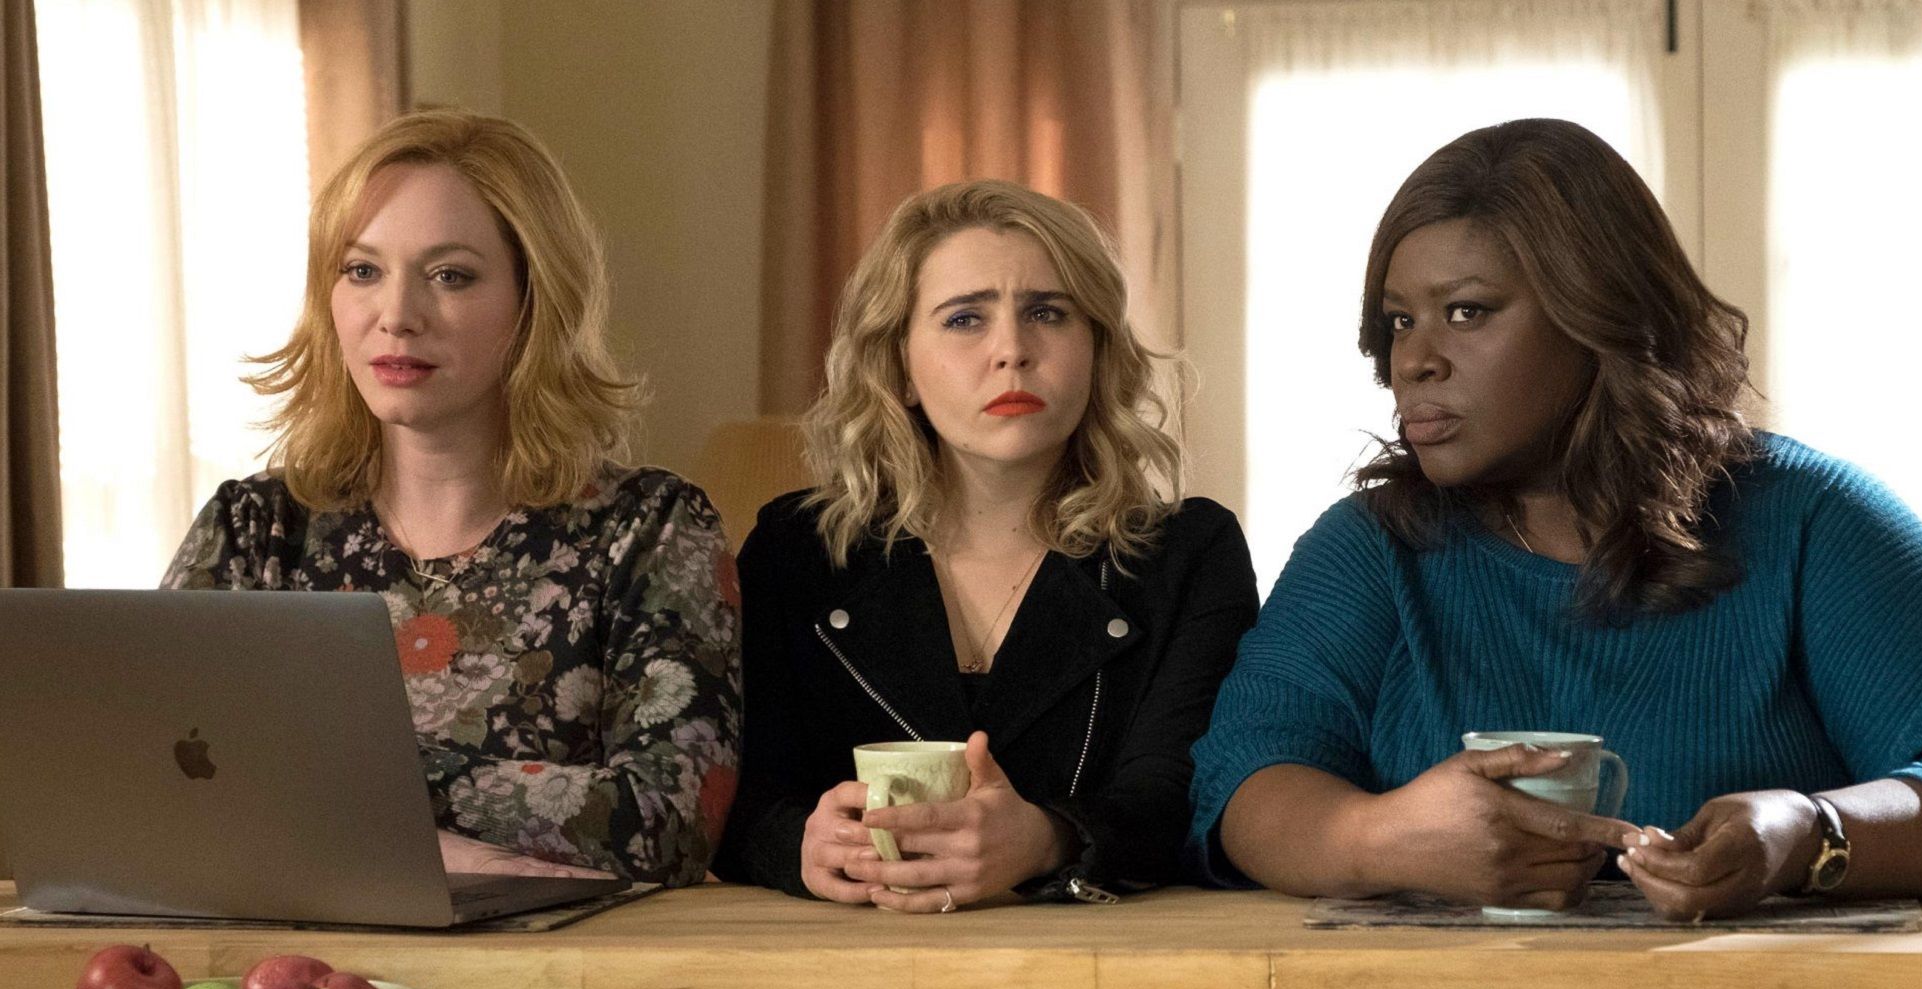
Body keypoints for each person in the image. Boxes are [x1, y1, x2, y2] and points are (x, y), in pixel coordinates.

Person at [1191, 118, 1922, 919]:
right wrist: (1375, 837)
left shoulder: (1812, 521)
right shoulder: (1370, 548)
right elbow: (1241, 784)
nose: (1413, 359)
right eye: (1401, 319)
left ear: (1602, 314)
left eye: (1467, 312)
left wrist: (1808, 832)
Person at [162, 108, 742, 886]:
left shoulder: (652, 530)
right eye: (362, 270)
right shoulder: (254, 529)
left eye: (450, 275)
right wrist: (447, 852)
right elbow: (158, 785)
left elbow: (668, 824)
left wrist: (332, 789)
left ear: (532, 302)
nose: (396, 316)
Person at [711, 180, 1257, 913]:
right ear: (900, 365)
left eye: (1047, 313)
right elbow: (736, 795)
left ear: (1096, 346)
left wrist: (1047, 841)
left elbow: (1185, 799)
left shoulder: (1187, 553)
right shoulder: (799, 550)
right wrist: (798, 846)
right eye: (965, 318)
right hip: (846, 968)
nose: (1012, 351)